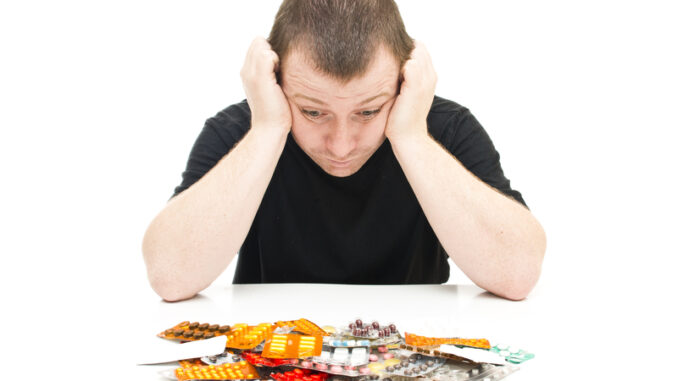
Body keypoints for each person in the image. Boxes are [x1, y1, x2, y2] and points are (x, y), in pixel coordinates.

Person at [142, 0, 546, 302]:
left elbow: (519, 273)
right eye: (313, 111)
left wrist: (410, 136)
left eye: (368, 110)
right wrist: (268, 127)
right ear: (274, 81)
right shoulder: (242, 131)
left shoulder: (442, 128)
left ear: (406, 83)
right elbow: (170, 276)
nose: (340, 145)